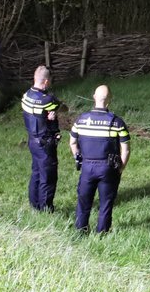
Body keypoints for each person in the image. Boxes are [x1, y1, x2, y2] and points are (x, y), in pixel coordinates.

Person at [68, 84, 130, 234]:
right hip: (108, 169)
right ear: (109, 100)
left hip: (87, 167)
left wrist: (78, 157)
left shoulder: (81, 120)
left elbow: (72, 142)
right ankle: (102, 233)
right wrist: (121, 167)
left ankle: (80, 232)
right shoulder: (117, 122)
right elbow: (126, 149)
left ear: (94, 98)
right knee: (106, 204)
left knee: (84, 202)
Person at [20, 65, 63, 212]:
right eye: (50, 80)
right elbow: (62, 107)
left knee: (36, 173)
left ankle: (34, 205)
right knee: (48, 177)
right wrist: (50, 117)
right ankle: (46, 208)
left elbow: (35, 115)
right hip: (45, 143)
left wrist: (46, 117)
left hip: (32, 140)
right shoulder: (48, 100)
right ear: (45, 82)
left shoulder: (26, 95)